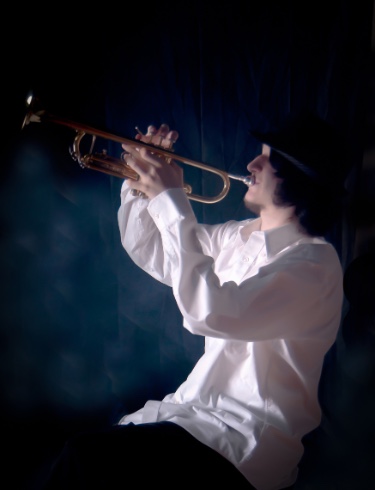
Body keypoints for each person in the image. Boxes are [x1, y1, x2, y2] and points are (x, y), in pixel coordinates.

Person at [43, 113, 348, 490]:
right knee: (89, 462)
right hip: (191, 415)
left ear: (299, 179)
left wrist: (171, 199)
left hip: (243, 446)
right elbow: (155, 252)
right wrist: (142, 184)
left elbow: (209, 312)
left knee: (83, 459)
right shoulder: (237, 237)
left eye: (268, 159)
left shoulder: (315, 266)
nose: (252, 164)